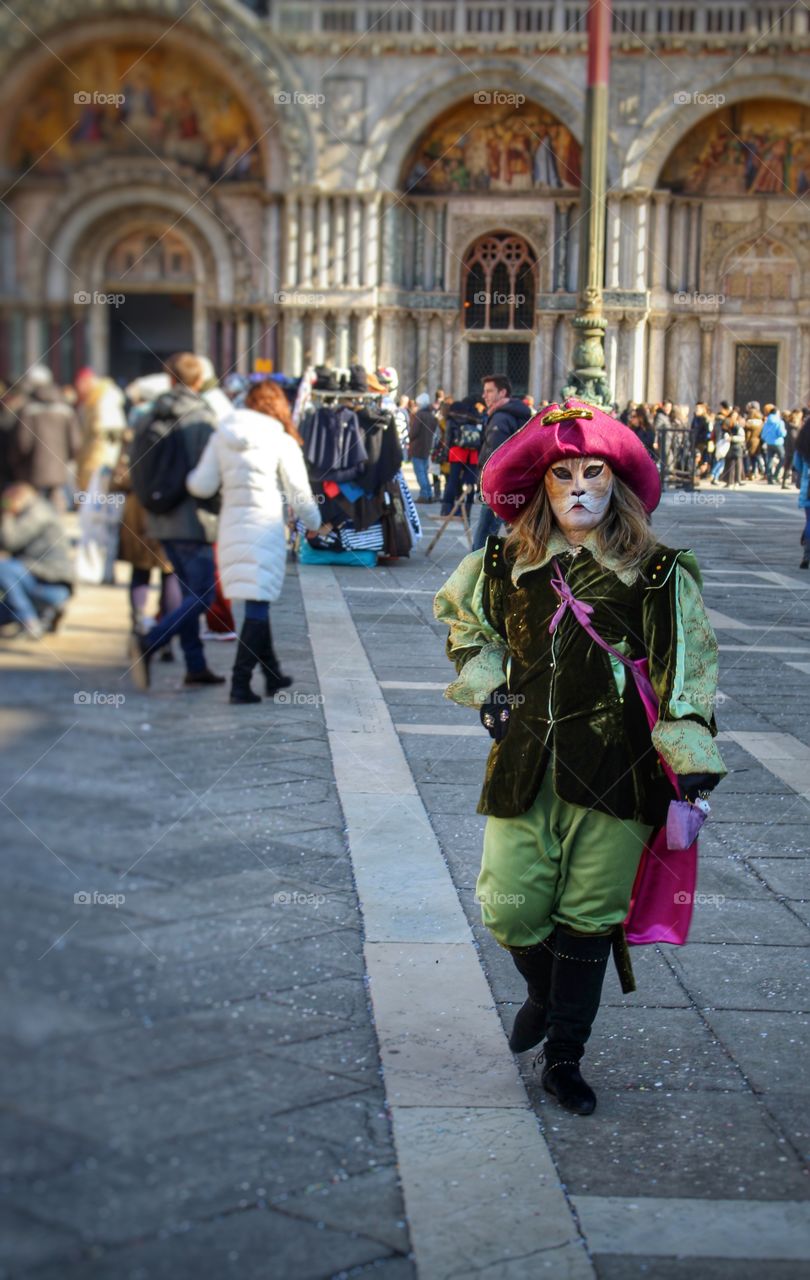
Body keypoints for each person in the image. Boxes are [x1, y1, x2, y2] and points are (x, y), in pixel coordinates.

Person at [434, 399, 725, 1115]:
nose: (579, 489)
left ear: (616, 483)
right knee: (508, 905)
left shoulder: (657, 570)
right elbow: (470, 631)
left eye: (594, 473)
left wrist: (688, 753)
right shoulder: (502, 561)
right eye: (563, 475)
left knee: (590, 917)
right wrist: (489, 689)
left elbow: (685, 664)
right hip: (524, 761)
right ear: (542, 484)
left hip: (618, 767)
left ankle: (566, 1055)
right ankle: (542, 990)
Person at [186, 378, 326, 703]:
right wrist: (315, 524)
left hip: (232, 527)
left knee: (255, 601)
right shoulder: (280, 439)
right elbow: (300, 494)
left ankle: (273, 674)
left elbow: (201, 485)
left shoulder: (223, 436)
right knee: (258, 605)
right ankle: (240, 683)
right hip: (264, 528)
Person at [128, 353, 222, 690]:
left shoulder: (147, 414)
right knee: (202, 597)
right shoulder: (201, 416)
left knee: (188, 595)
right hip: (193, 521)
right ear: (198, 381)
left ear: (169, 379)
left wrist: (152, 502)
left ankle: (195, 666)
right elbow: (209, 474)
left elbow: (133, 465)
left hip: (159, 517)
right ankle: (151, 640)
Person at [0, 483, 73, 638]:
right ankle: (46, 614)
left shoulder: (36, 513)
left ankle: (29, 620)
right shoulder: (38, 509)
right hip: (39, 580)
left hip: (50, 585)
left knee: (3, 569)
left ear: (17, 497)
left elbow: (10, 541)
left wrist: (7, 513)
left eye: (5, 501)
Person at [472, 375, 532, 551]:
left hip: (497, 487)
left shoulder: (501, 418)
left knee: (482, 542)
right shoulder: (516, 413)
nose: (485, 395)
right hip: (512, 486)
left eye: (490, 391)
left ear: (503, 392)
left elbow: (494, 455)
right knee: (518, 536)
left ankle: (476, 574)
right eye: (484, 391)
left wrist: (486, 484)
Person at [9, 366, 81, 511]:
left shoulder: (28, 410)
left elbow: (23, 444)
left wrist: (16, 463)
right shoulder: (65, 407)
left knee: (35, 510)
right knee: (56, 507)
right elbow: (76, 443)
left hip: (34, 470)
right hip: (59, 470)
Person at [408, 393, 439, 503]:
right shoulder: (431, 415)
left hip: (417, 447)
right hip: (427, 446)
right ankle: (429, 494)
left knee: (420, 472)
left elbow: (413, 433)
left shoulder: (419, 415)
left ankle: (424, 495)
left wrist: (409, 436)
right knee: (424, 472)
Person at [794, 417, 810, 569]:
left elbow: (797, 464)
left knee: (809, 519)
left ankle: (807, 552)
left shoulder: (803, 442)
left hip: (808, 485)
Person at [760, 404, 786, 484]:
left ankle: (769, 477)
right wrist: (785, 433)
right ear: (777, 413)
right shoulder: (779, 421)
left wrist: (767, 439)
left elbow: (763, 433)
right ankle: (776, 474)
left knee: (769, 460)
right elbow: (781, 433)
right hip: (778, 442)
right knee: (783, 458)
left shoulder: (767, 421)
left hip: (769, 442)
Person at [723, 407, 746, 489]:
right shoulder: (728, 427)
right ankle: (730, 482)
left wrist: (732, 438)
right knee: (730, 465)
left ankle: (736, 481)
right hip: (731, 447)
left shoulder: (738, 427)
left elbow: (742, 438)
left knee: (737, 465)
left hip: (737, 447)